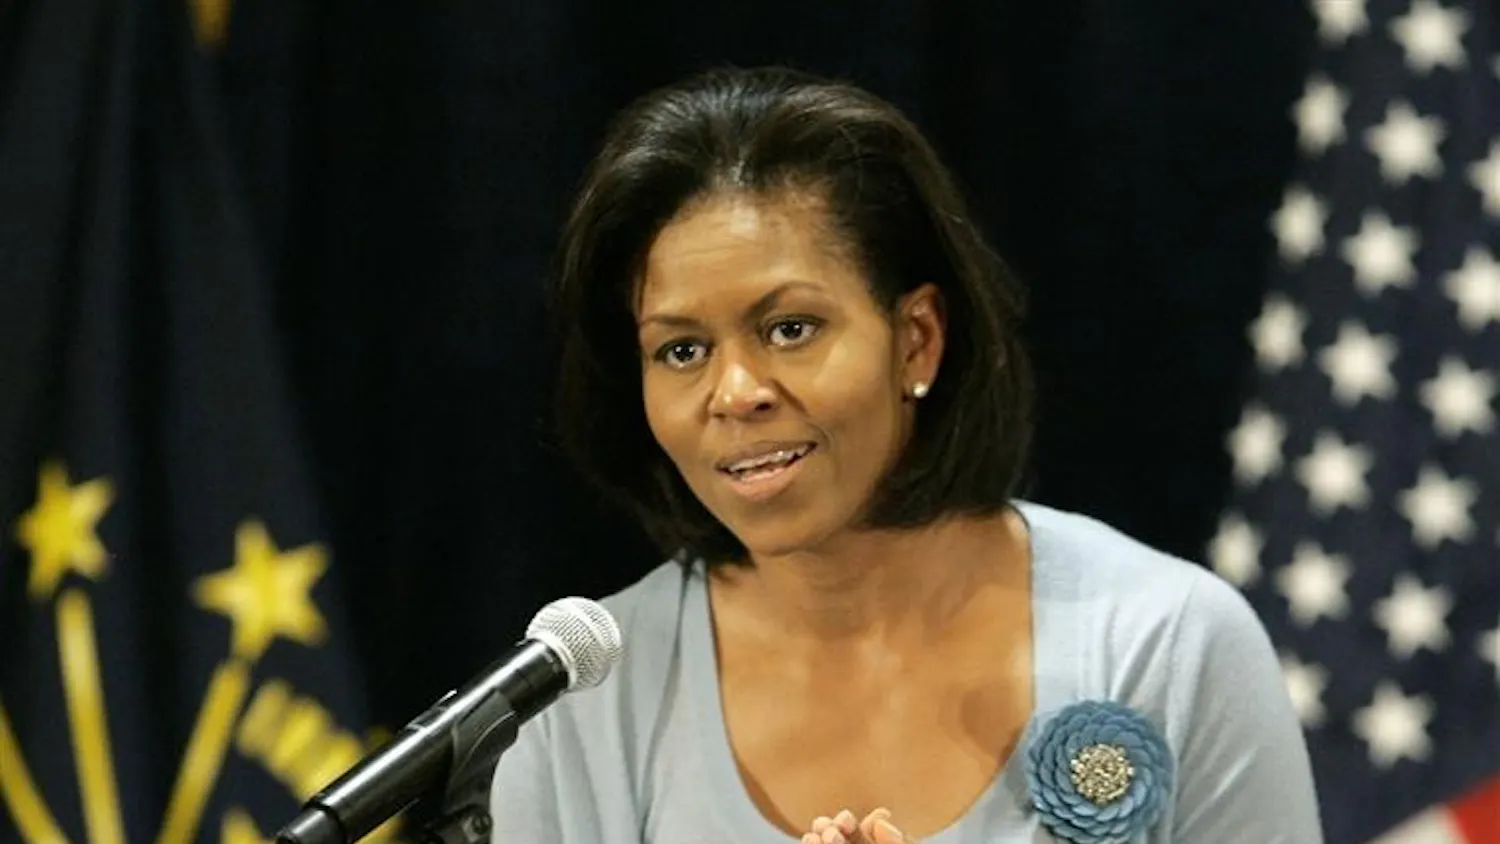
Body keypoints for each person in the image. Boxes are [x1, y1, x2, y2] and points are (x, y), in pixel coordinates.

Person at [488, 65, 1322, 844]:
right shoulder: (578, 707)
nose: (735, 391)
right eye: (680, 351)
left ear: (916, 341)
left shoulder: (1167, 647)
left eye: (790, 330)